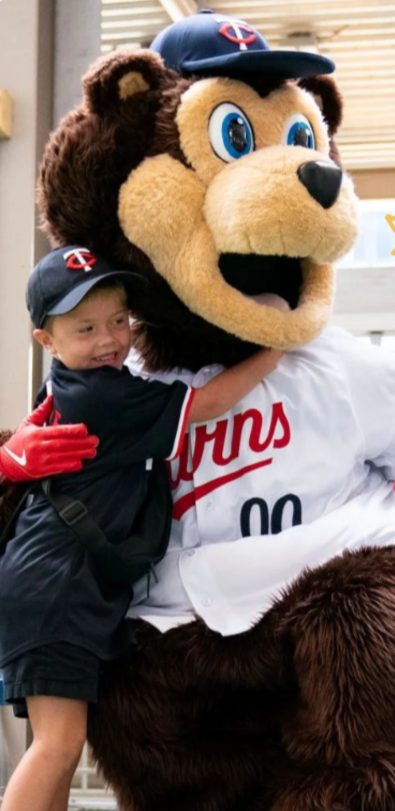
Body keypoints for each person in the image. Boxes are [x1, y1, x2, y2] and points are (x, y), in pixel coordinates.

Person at [0, 246, 284, 811]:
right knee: (58, 744)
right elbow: (210, 402)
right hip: (57, 593)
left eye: (119, 321)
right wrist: (273, 344)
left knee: (59, 743)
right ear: (47, 341)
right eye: (86, 328)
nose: (109, 339)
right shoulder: (107, 395)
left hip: (53, 588)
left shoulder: (65, 383)